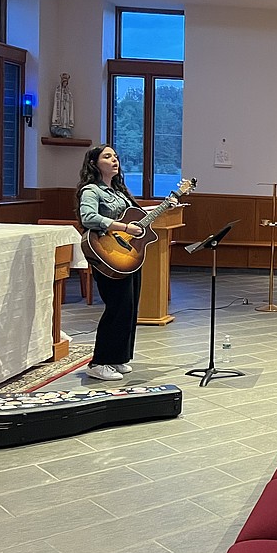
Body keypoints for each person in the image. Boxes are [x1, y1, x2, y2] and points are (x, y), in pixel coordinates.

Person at [76, 145, 165, 381]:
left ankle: (117, 357)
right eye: (107, 156)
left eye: (115, 156)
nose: (114, 160)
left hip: (128, 254)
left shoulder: (119, 191)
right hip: (107, 253)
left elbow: (135, 215)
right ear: (94, 163)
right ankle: (98, 362)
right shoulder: (91, 190)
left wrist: (164, 206)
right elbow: (88, 217)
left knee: (129, 307)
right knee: (116, 306)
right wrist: (124, 228)